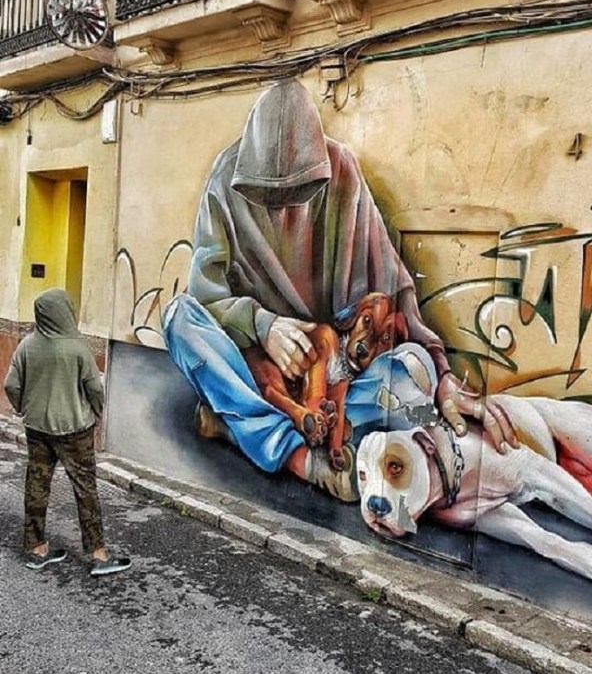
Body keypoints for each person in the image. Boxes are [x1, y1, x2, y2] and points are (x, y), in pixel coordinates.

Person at [163, 79, 518, 501]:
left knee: (412, 365)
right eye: (267, 195)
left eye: (298, 192)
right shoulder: (224, 179)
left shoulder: (343, 171)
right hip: (253, 365)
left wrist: (442, 378)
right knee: (178, 319)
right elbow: (205, 293)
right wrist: (264, 327)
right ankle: (298, 456)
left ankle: (238, 424)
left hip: (332, 375)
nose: (284, 206)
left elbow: (393, 283)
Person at [4, 288, 131, 576]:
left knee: (37, 486)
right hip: (75, 430)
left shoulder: (26, 345)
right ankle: (98, 554)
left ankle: (37, 549)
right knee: (85, 489)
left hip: (37, 429)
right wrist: (96, 412)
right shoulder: (78, 347)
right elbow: (95, 388)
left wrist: (25, 408)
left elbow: (11, 385)